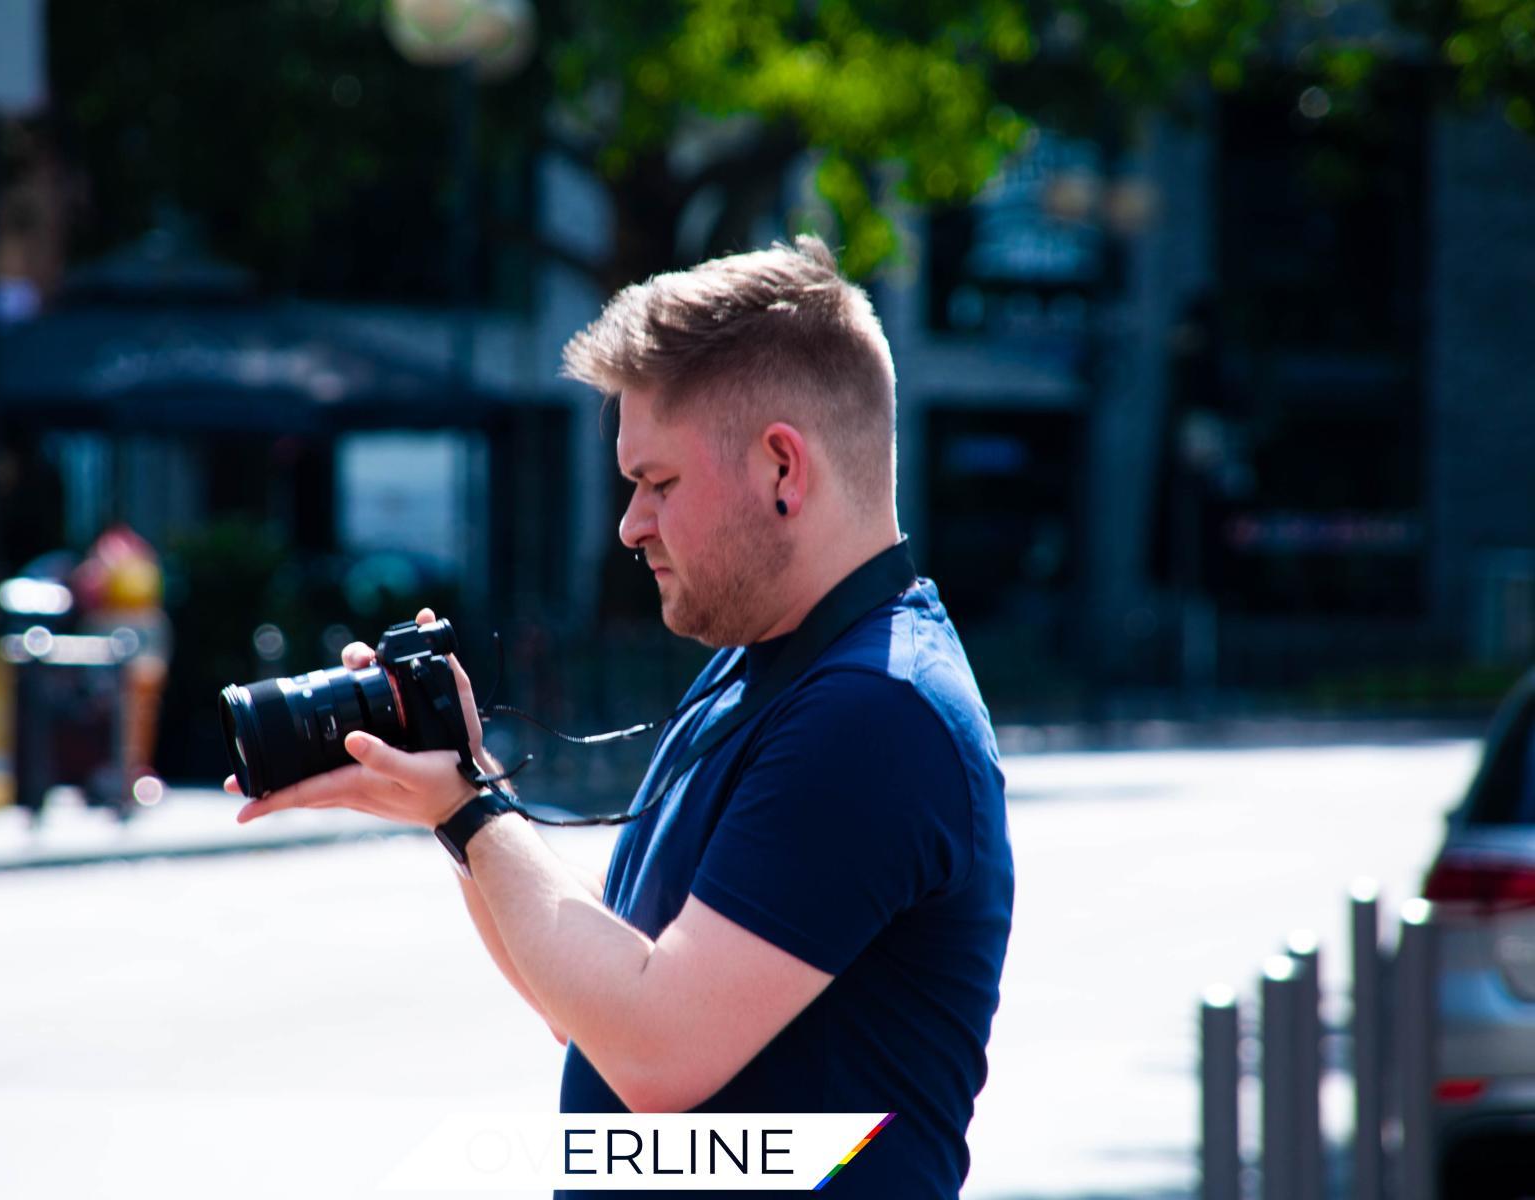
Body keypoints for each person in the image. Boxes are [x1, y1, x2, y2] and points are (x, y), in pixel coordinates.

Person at [230, 235, 1014, 1198]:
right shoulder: (761, 671)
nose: (630, 525)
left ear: (782, 470)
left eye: (659, 483)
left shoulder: (873, 712)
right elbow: (591, 1010)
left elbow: (656, 1053)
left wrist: (474, 812)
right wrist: (457, 795)